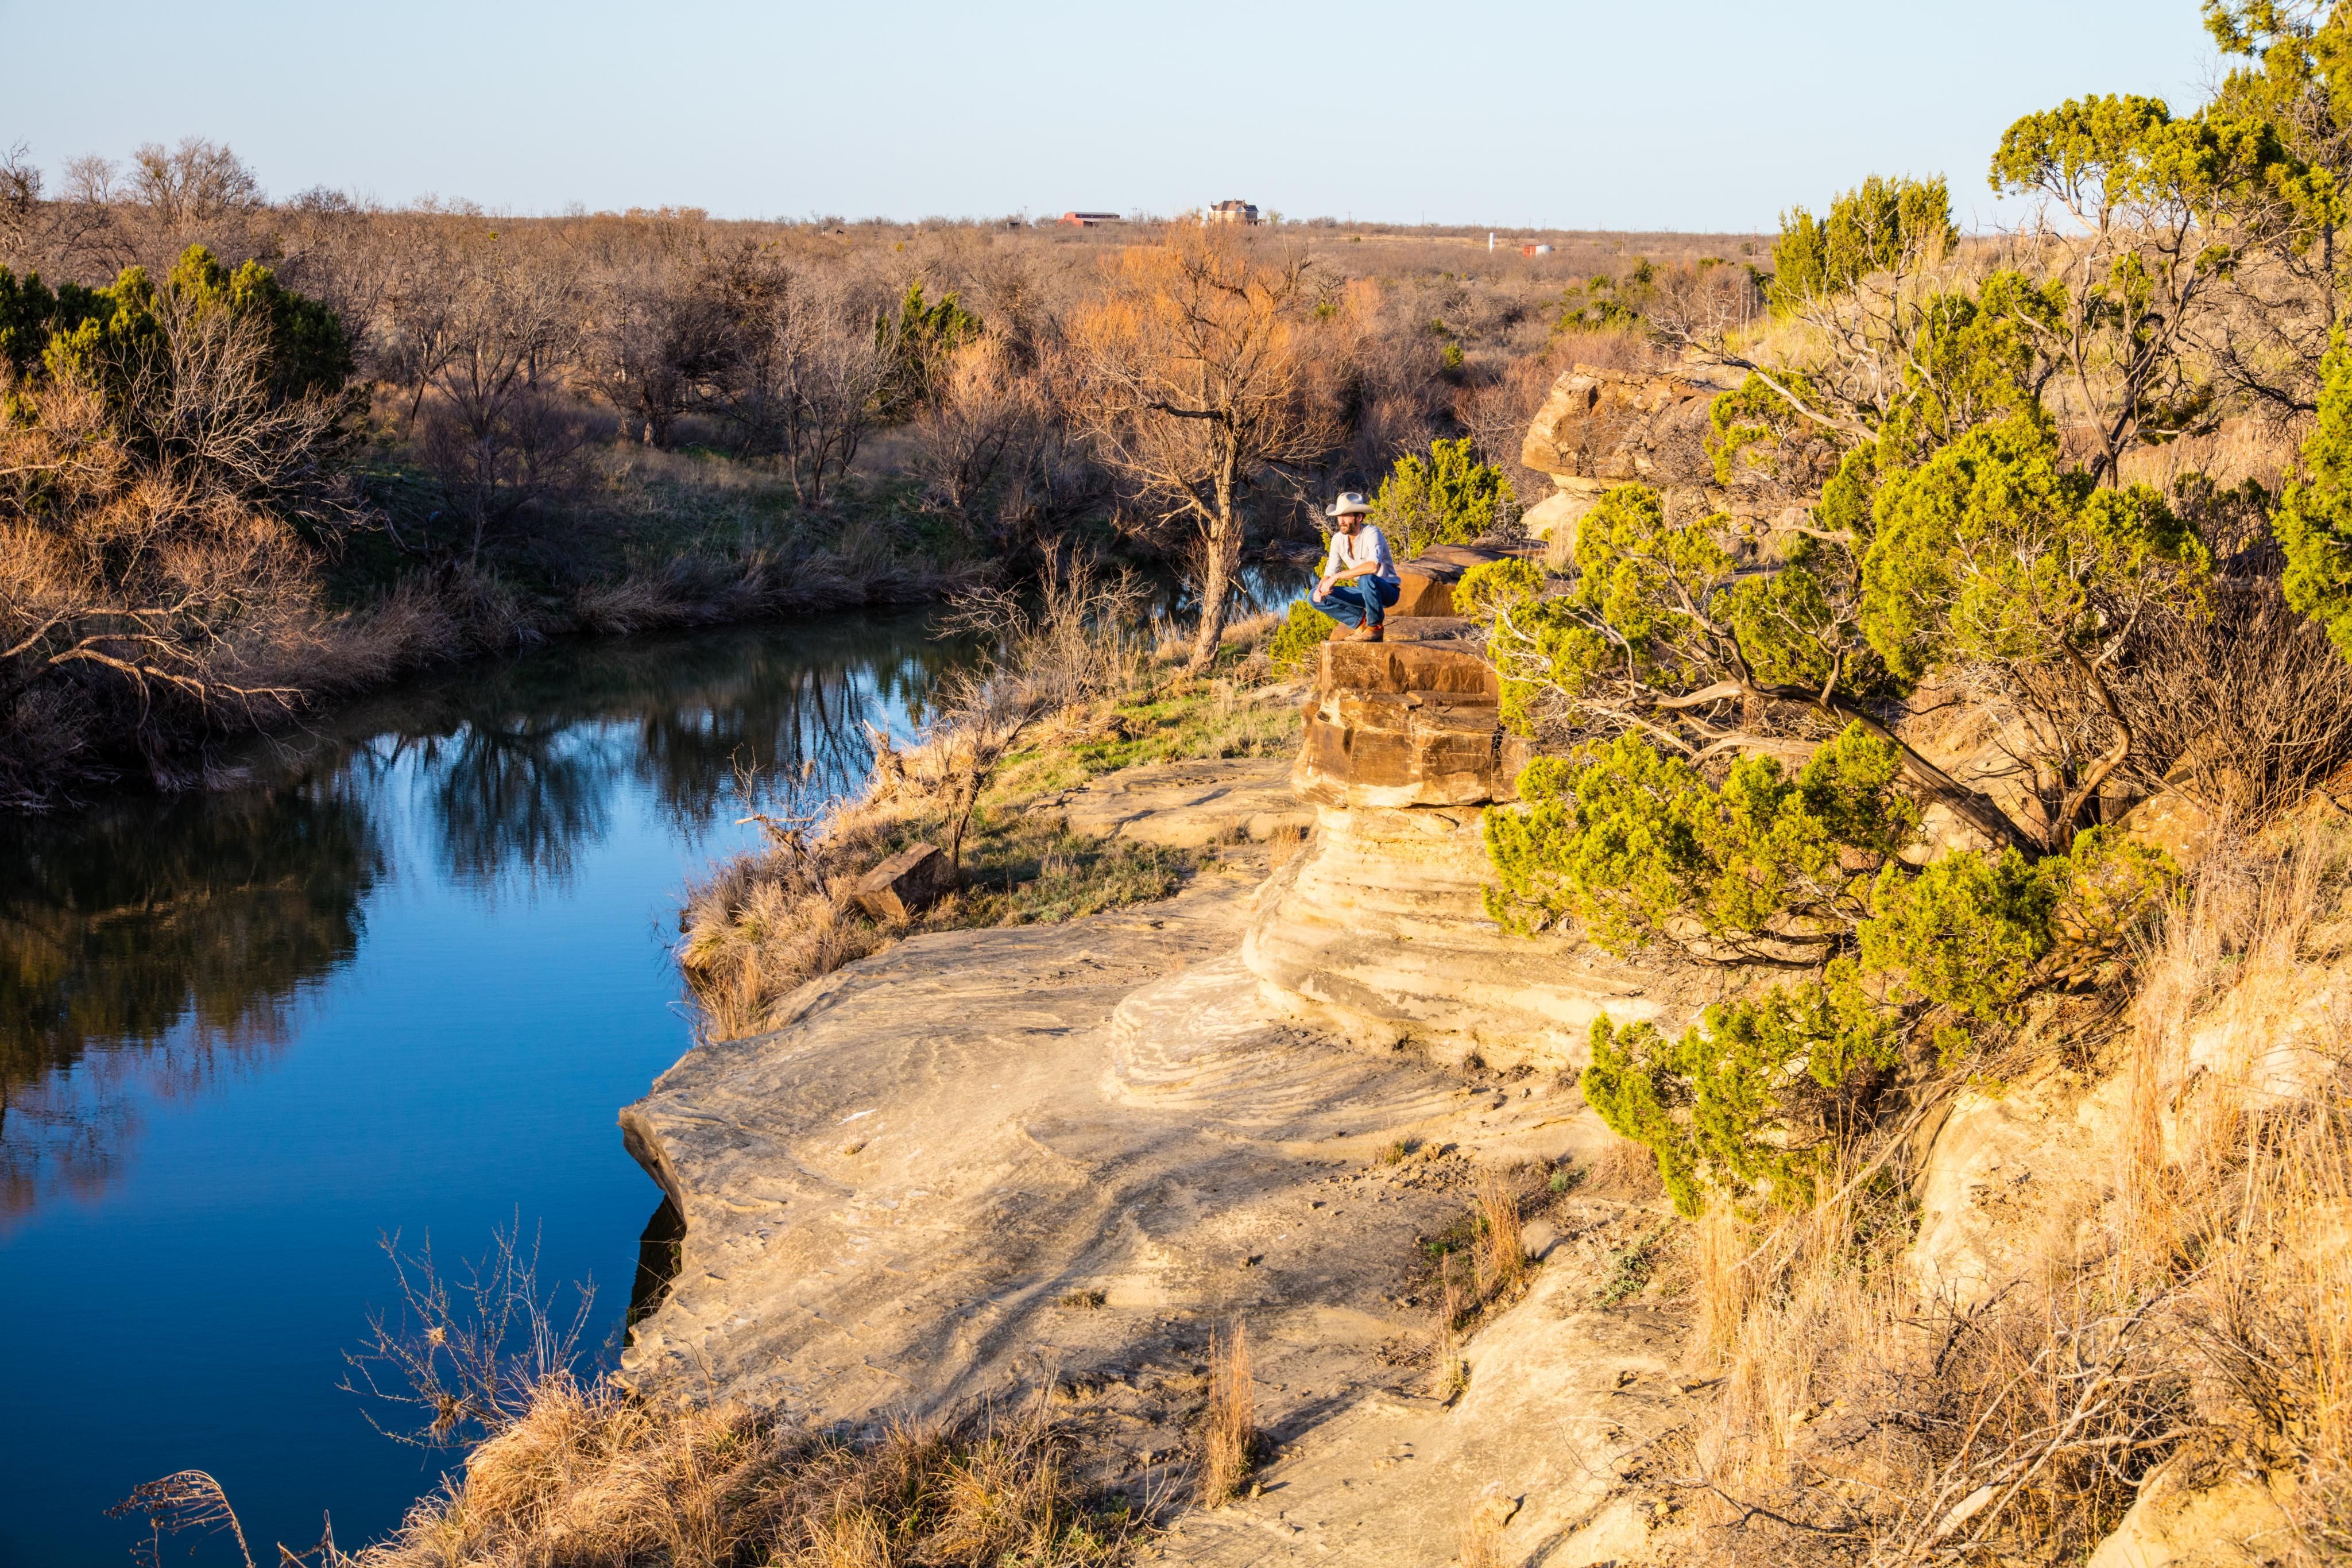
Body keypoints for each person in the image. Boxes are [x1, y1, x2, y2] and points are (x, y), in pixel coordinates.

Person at [1310, 491, 1400, 642]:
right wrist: (1320, 590)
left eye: (1346, 516)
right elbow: (1330, 571)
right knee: (1314, 597)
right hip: (1364, 592)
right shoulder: (1338, 539)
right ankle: (1362, 622)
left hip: (1387, 591)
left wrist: (1337, 577)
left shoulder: (1372, 533)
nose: (1341, 521)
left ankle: (1376, 627)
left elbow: (1373, 567)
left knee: (1366, 579)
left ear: (1359, 518)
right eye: (1339, 516)